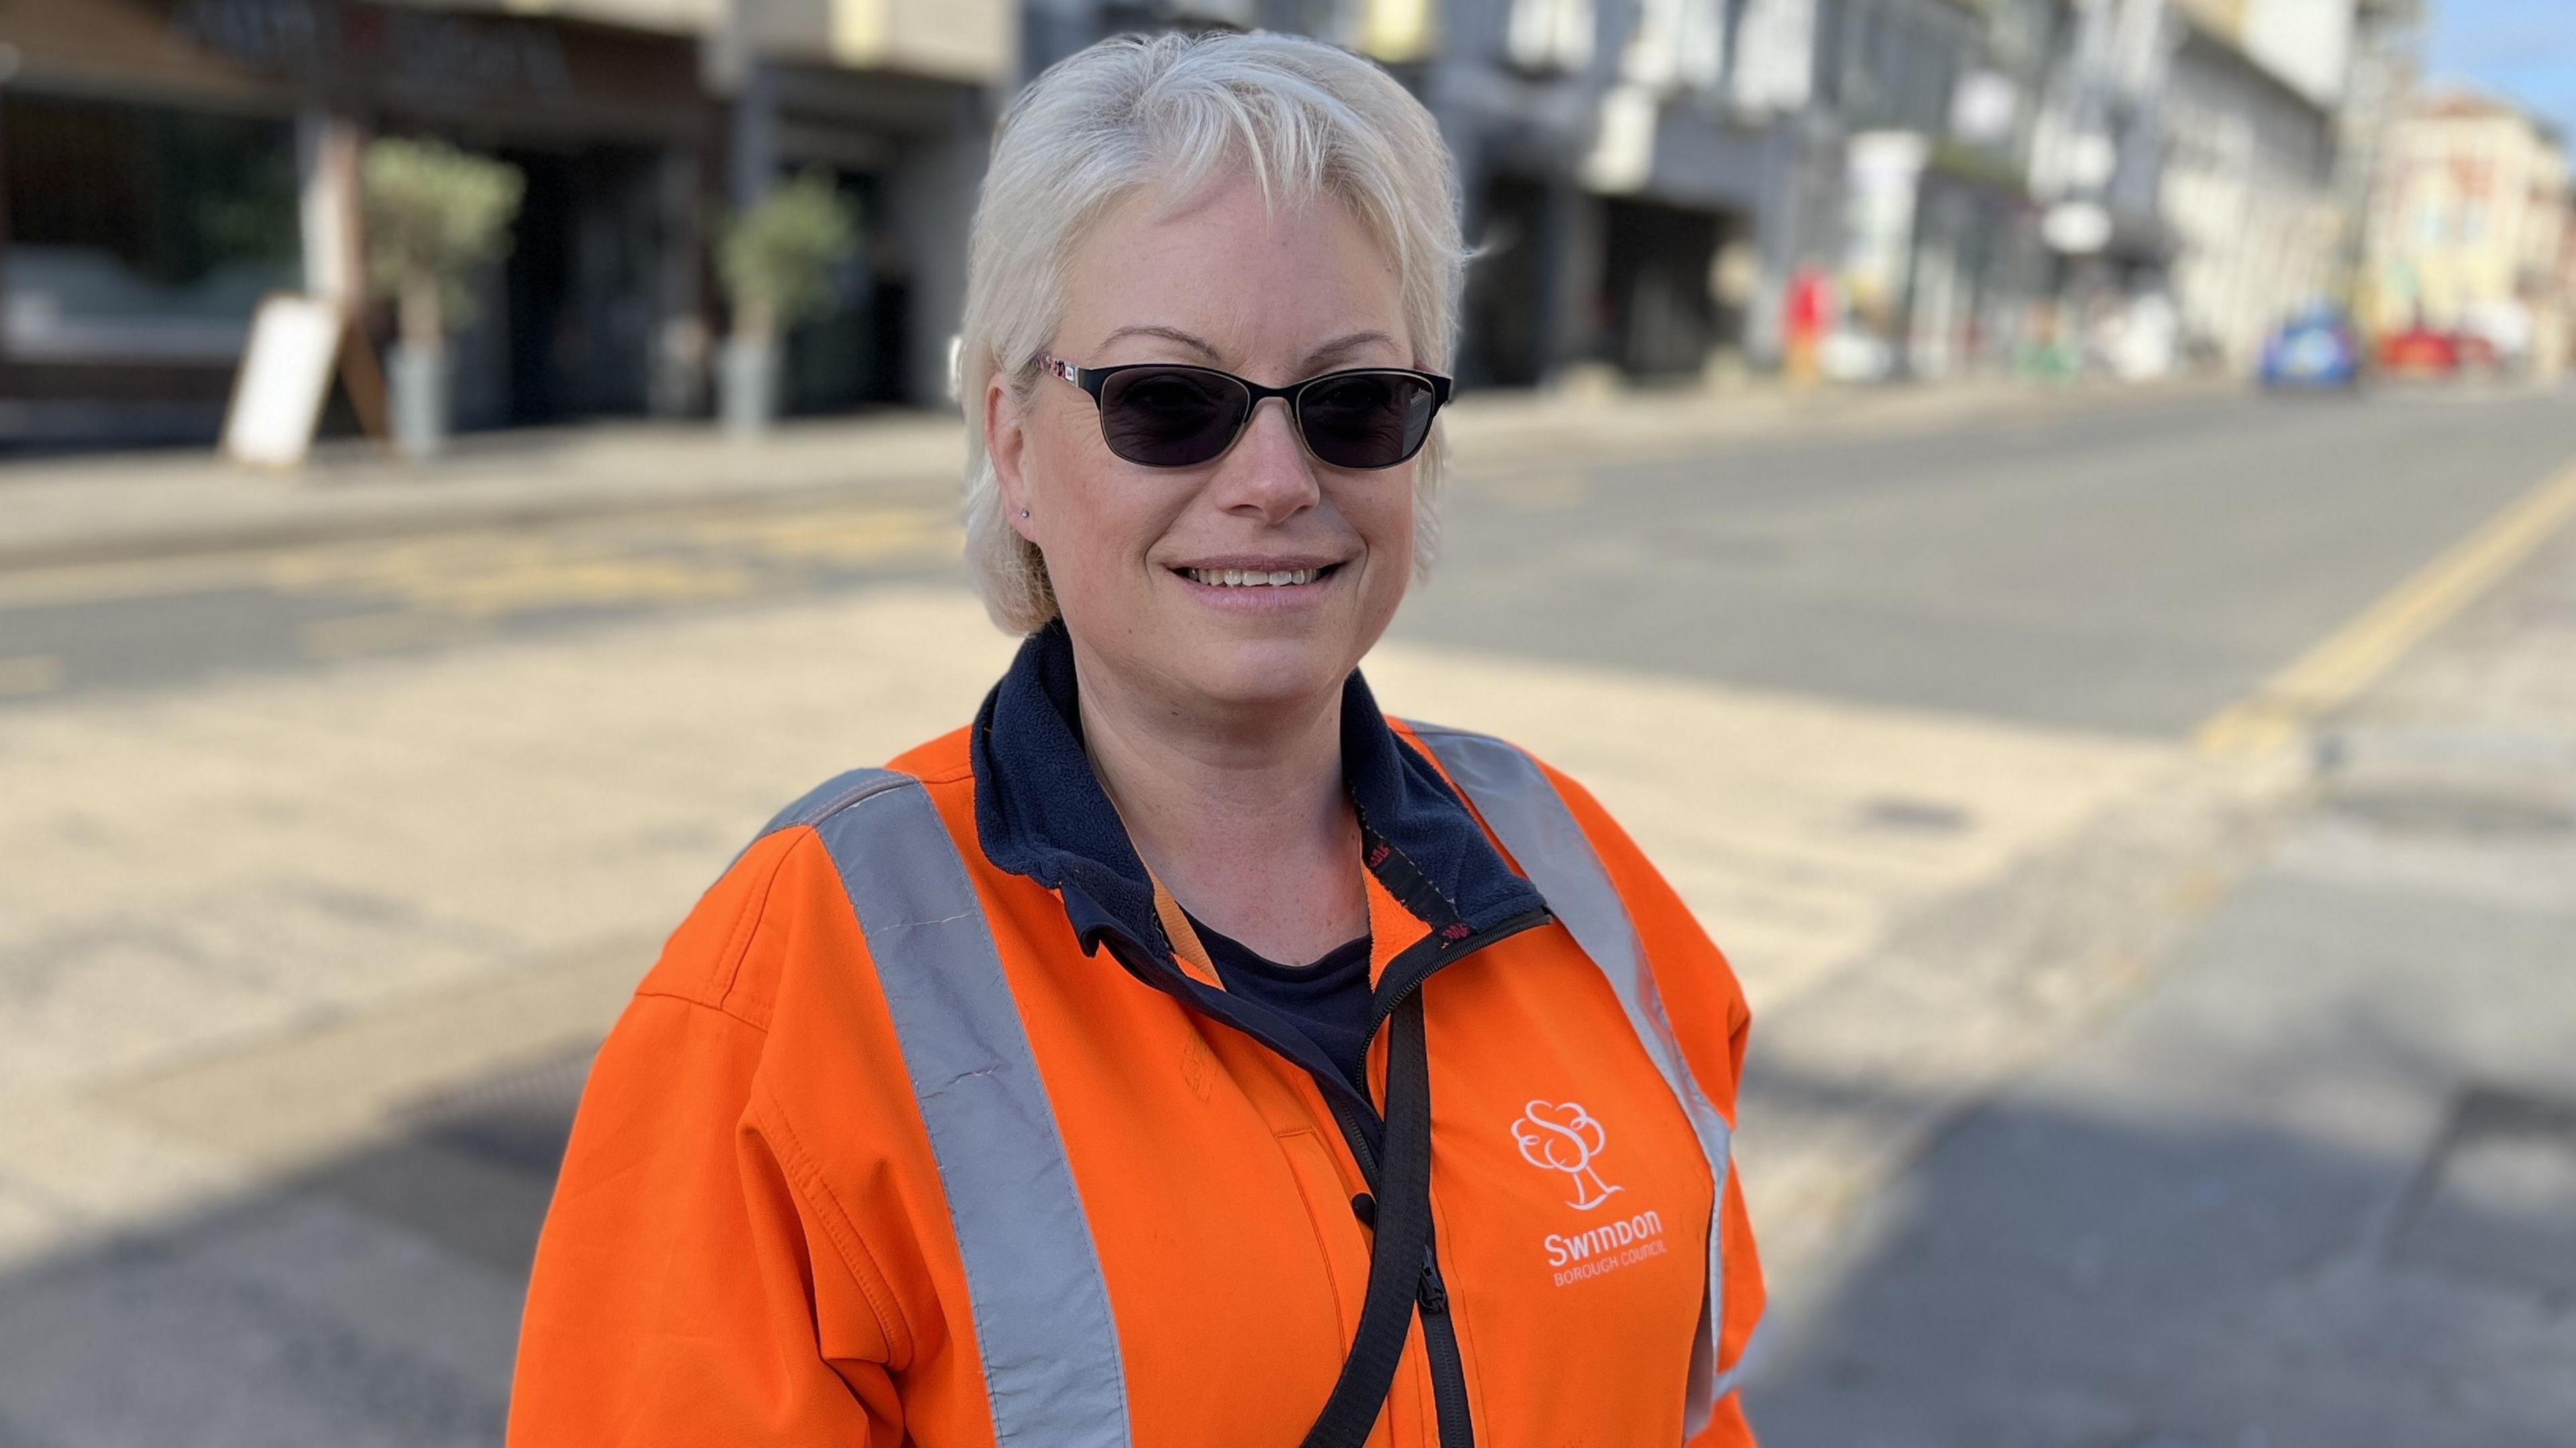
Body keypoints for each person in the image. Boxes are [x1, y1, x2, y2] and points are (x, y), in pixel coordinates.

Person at [508, 30, 1763, 1447]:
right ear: (1016, 445)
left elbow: (1695, 1400)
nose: (1277, 482)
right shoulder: (795, 982)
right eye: (1173, 403)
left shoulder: (1585, 886)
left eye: (1354, 403)